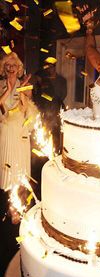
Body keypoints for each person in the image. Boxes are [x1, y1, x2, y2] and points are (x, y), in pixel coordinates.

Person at [0, 52, 38, 222]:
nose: (11, 69)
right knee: (9, 170)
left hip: (20, 132)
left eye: (14, 66)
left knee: (21, 171)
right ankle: (11, 208)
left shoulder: (26, 85)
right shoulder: (0, 85)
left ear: (19, 69)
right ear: (3, 68)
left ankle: (22, 208)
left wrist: (22, 91)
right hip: (6, 132)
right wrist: (8, 91)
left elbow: (26, 111)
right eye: (7, 66)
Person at [32, 62, 67, 154]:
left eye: (50, 67)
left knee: (54, 133)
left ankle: (55, 152)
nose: (37, 79)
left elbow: (57, 96)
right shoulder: (41, 84)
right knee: (46, 132)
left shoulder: (51, 84)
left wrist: (45, 97)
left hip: (53, 112)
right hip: (45, 113)